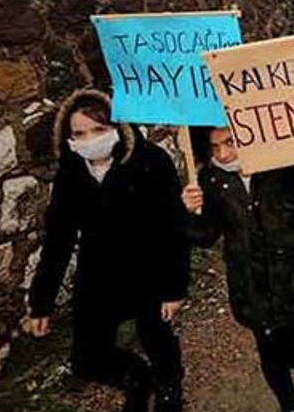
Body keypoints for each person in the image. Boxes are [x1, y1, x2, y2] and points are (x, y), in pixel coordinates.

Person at [26, 90, 187, 412]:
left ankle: (169, 385)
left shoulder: (151, 161)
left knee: (157, 336)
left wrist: (175, 288)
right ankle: (136, 378)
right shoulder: (71, 173)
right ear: (68, 138)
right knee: (88, 358)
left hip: (149, 268)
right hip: (98, 273)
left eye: (98, 130)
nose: (89, 140)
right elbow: (58, 239)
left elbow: (172, 228)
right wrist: (41, 303)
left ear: (117, 127)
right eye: (79, 134)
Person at [181, 128, 294, 412]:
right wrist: (190, 212)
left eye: (230, 142)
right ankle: (289, 403)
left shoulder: (285, 168)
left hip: (293, 283)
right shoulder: (211, 180)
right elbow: (206, 236)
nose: (223, 154)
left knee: (293, 347)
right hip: (250, 287)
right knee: (269, 354)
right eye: (214, 147)